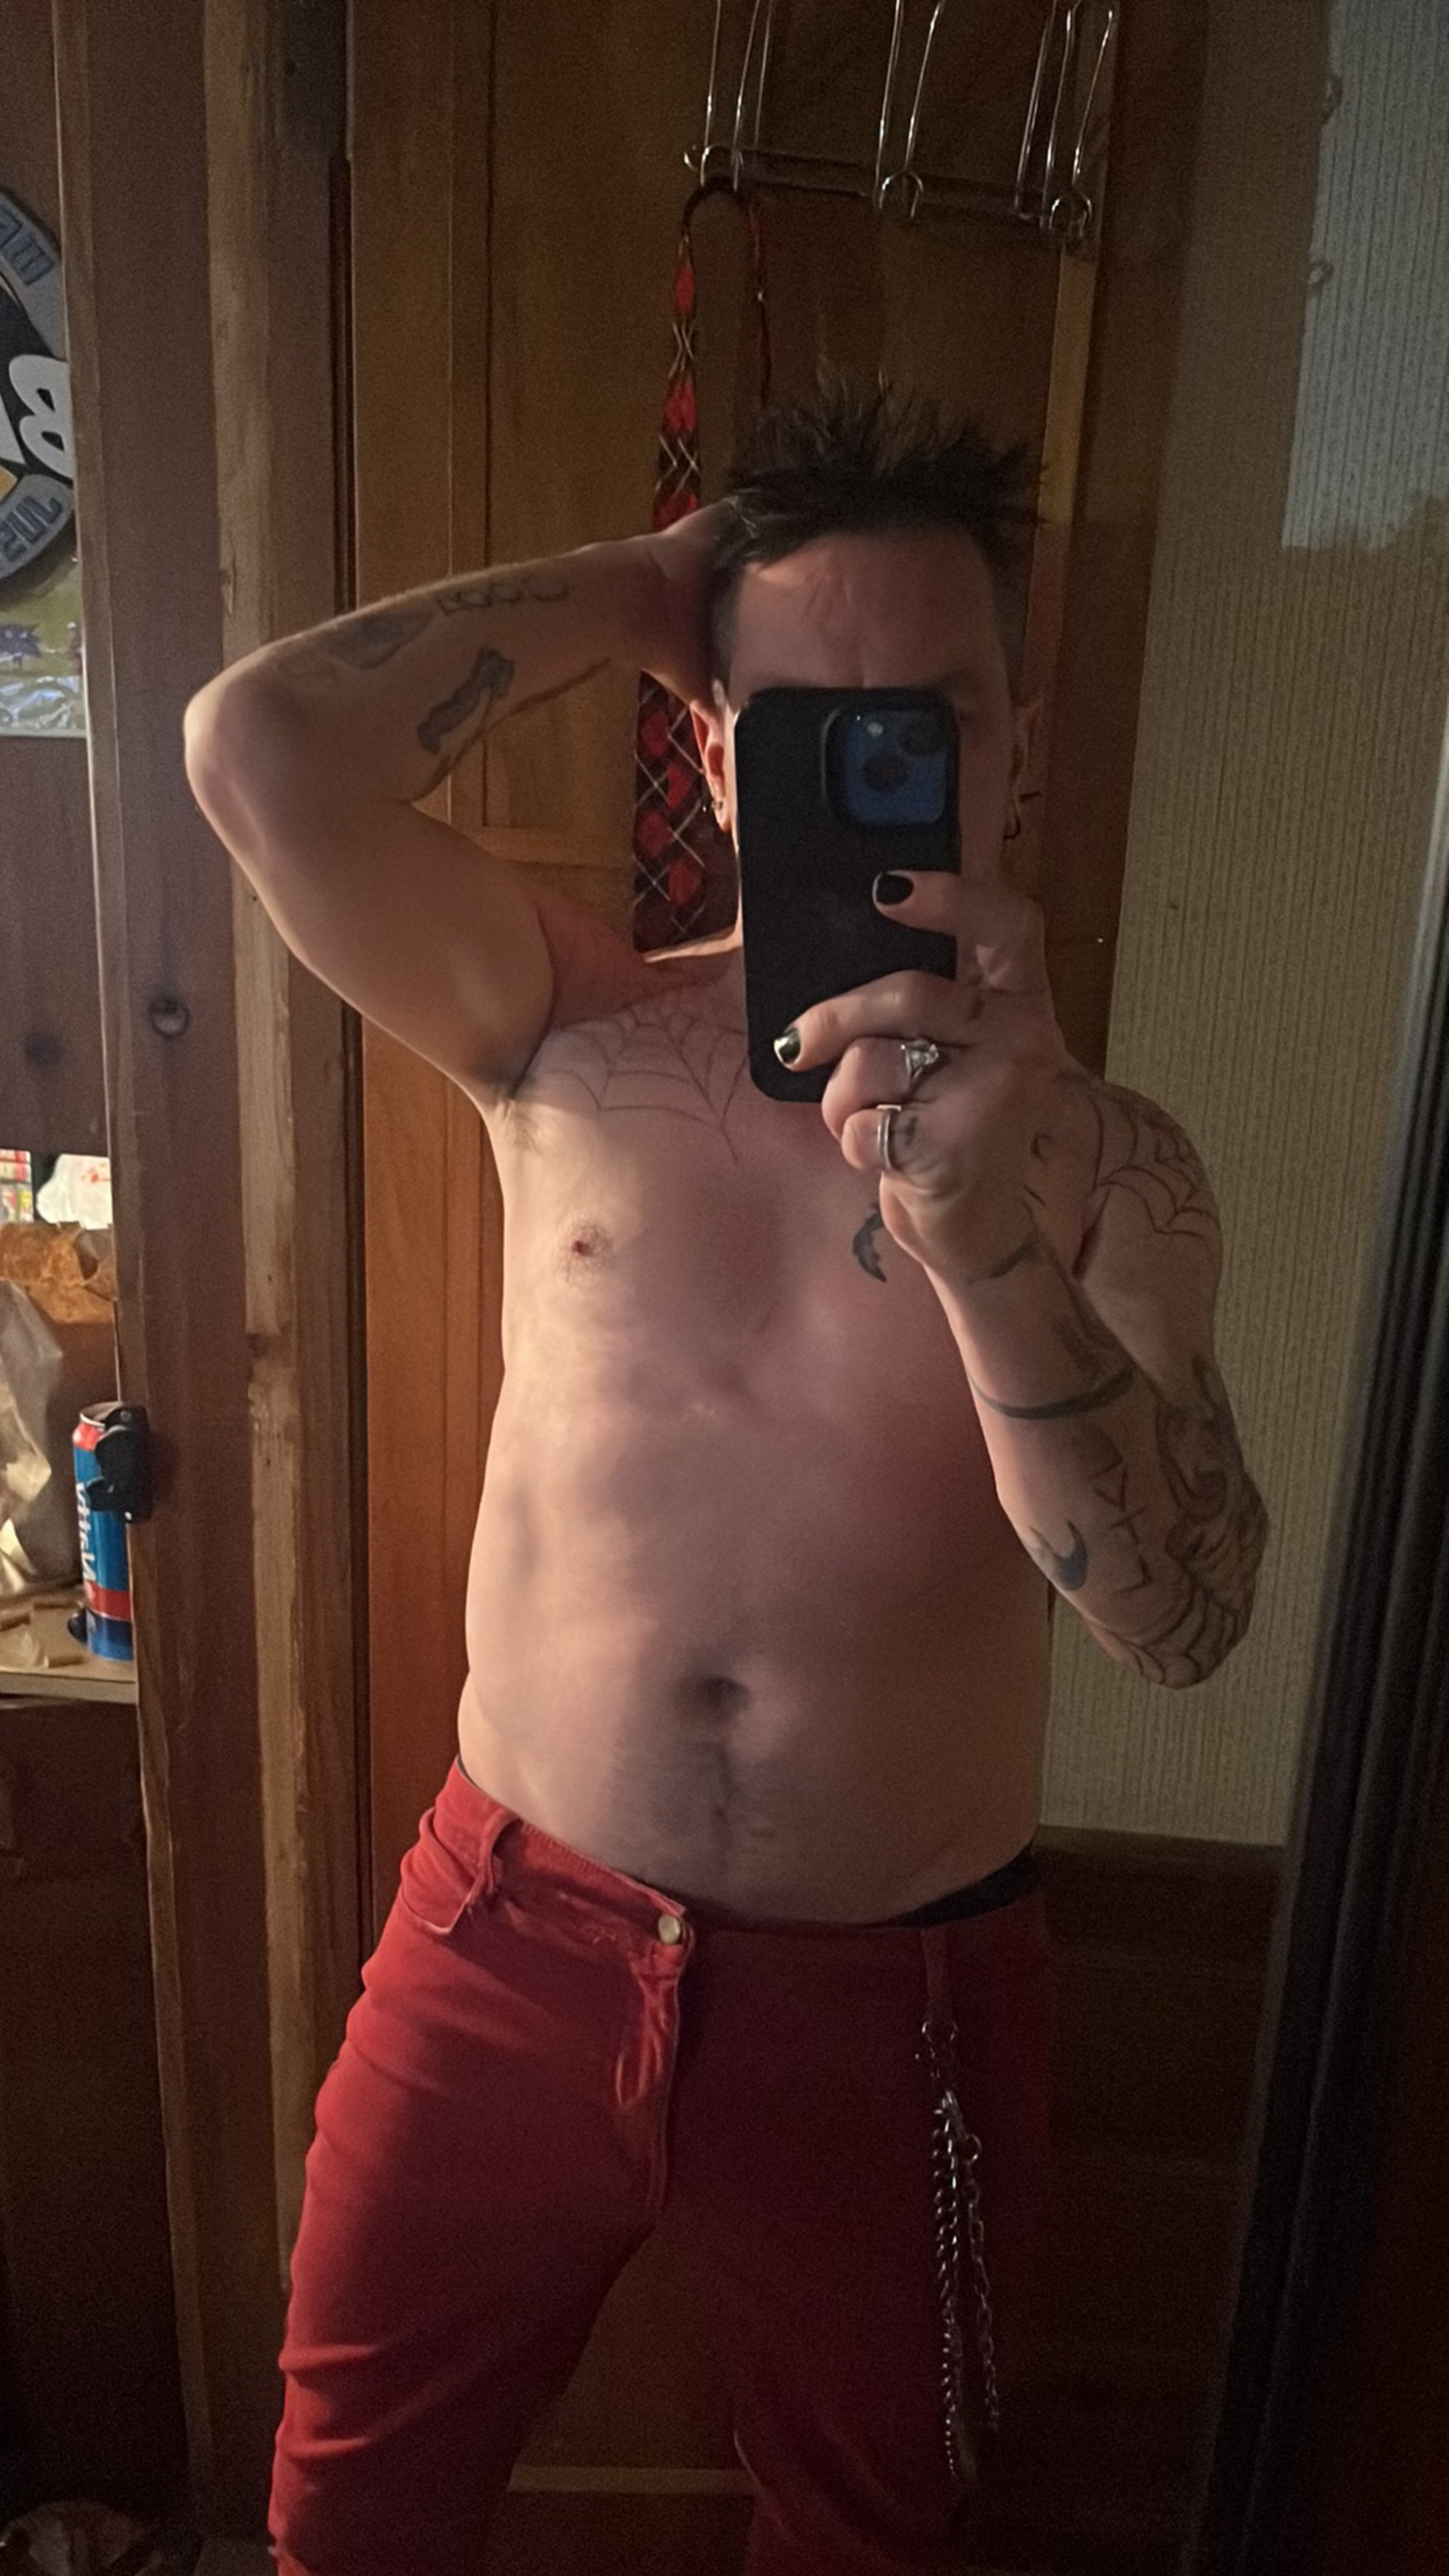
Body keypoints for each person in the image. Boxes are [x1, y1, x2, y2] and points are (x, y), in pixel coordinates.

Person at [185, 382, 1269, 2576]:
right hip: (510, 1934)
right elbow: (255, 749)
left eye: (923, 722)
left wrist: (980, 1244)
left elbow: (1185, 1618)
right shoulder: (562, 1028)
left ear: (1015, 747)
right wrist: (636, 590)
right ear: (710, 744)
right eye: (800, 725)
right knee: (345, 2518)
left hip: (905, 2012)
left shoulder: (1111, 1169)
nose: (868, 765)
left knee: (879, 2539)